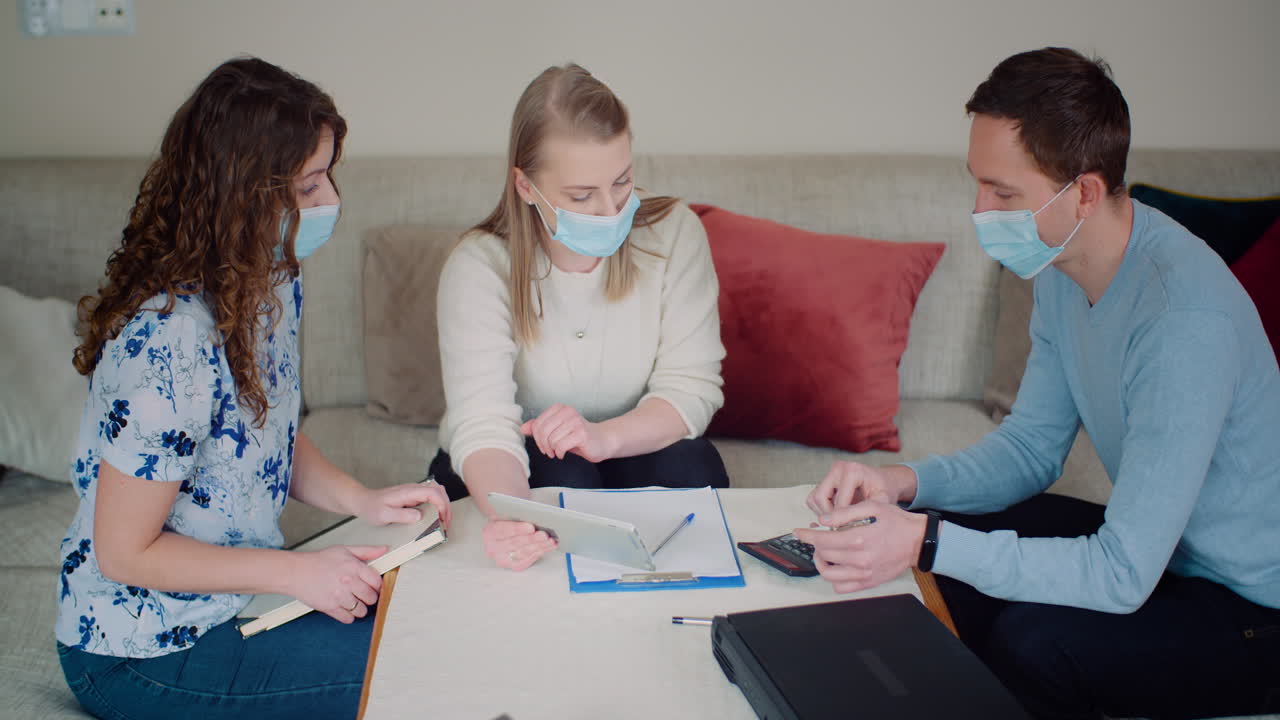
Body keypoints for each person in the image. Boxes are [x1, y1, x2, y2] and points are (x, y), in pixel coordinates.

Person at [794, 47, 1280, 720]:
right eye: (978, 184)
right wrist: (901, 485)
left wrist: (922, 541)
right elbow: (1030, 449)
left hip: (1251, 607)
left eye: (1004, 193)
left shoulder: (1181, 323)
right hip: (1165, 554)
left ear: (1083, 191)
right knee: (950, 527)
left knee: (1035, 643)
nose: (979, 210)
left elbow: (1120, 576)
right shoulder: (1064, 265)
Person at [55, 57, 451, 720]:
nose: (331, 203)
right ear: (241, 195)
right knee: (414, 672)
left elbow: (265, 435)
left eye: (328, 177)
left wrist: (365, 500)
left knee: (435, 621)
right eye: (309, 186)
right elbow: (124, 552)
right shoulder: (169, 341)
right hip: (138, 652)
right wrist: (298, 574)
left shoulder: (268, 280)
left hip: (239, 601)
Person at [430, 63, 729, 571]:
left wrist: (604, 438)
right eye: (581, 196)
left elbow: (691, 388)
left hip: (636, 446)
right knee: (565, 477)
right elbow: (483, 426)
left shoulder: (675, 233)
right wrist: (513, 520)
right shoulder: (478, 265)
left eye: (622, 181)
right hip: (512, 467)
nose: (611, 210)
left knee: (692, 464)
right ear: (525, 187)